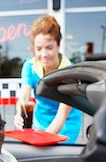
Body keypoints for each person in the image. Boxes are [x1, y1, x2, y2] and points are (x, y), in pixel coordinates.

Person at [14, 15, 82, 143]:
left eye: (49, 48)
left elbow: (61, 117)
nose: (44, 54)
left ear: (58, 45)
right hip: (40, 121)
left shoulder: (70, 72)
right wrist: (19, 112)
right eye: (38, 49)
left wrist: (40, 141)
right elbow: (24, 96)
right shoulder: (29, 66)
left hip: (65, 125)